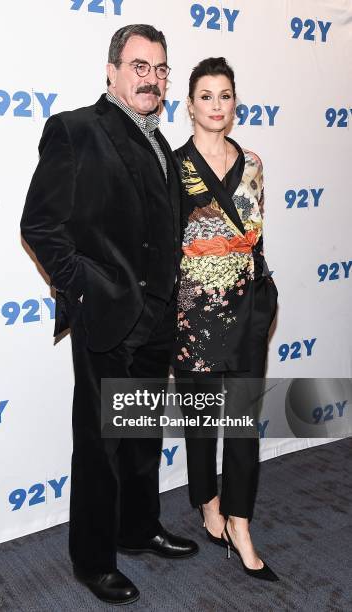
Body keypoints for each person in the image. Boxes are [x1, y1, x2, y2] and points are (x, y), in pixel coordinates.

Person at [20, 24, 198, 606]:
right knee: (101, 443)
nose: (152, 78)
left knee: (144, 435)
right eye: (140, 66)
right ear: (112, 70)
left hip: (157, 319)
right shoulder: (76, 130)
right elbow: (40, 227)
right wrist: (87, 292)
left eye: (161, 68)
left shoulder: (163, 146)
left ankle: (138, 527)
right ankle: (93, 560)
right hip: (109, 317)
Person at [173, 57, 279, 581]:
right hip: (194, 313)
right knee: (200, 420)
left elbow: (256, 235)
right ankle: (206, 500)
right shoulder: (172, 167)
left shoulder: (254, 163)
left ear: (235, 104)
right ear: (189, 104)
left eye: (226, 95)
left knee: (242, 422)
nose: (217, 105)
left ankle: (240, 520)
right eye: (206, 95)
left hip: (248, 307)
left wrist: (262, 294)